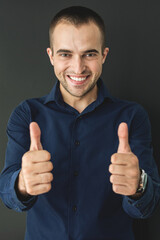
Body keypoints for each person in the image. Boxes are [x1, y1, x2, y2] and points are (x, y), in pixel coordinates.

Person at [0, 5, 160, 240]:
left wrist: (138, 186)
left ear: (104, 55)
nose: (78, 67)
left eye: (89, 54)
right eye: (65, 54)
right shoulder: (26, 114)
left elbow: (149, 205)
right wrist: (21, 183)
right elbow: (6, 192)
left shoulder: (132, 116)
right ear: (51, 56)